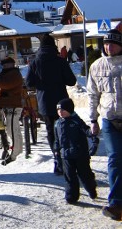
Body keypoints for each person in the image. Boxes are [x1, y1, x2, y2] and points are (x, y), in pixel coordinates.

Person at [26, 35, 77, 174]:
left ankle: (57, 160)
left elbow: (29, 83)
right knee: (65, 130)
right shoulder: (60, 61)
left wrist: (40, 83)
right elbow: (72, 81)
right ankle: (67, 159)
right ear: (53, 45)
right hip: (62, 103)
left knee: (51, 132)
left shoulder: (35, 62)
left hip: (45, 103)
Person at [87, 24, 122, 221]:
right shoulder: (97, 66)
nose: (109, 47)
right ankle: (116, 203)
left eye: (113, 44)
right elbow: (92, 95)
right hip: (109, 119)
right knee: (115, 158)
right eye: (106, 44)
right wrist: (93, 119)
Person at [55, 97, 98, 205]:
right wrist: (56, 151)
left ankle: (91, 188)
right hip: (66, 155)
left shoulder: (76, 121)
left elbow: (86, 131)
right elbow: (56, 140)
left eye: (63, 110)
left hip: (80, 154)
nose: (60, 112)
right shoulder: (57, 124)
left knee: (85, 175)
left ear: (70, 110)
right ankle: (71, 196)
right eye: (58, 110)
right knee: (69, 176)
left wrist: (92, 135)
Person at [0, 56, 24, 164]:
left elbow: (6, 85)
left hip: (13, 107)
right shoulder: (6, 74)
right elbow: (0, 86)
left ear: (11, 65)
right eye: (3, 65)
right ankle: (18, 150)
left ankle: (13, 155)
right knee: (12, 130)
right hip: (8, 107)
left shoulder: (14, 74)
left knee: (12, 131)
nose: (4, 66)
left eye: (6, 64)